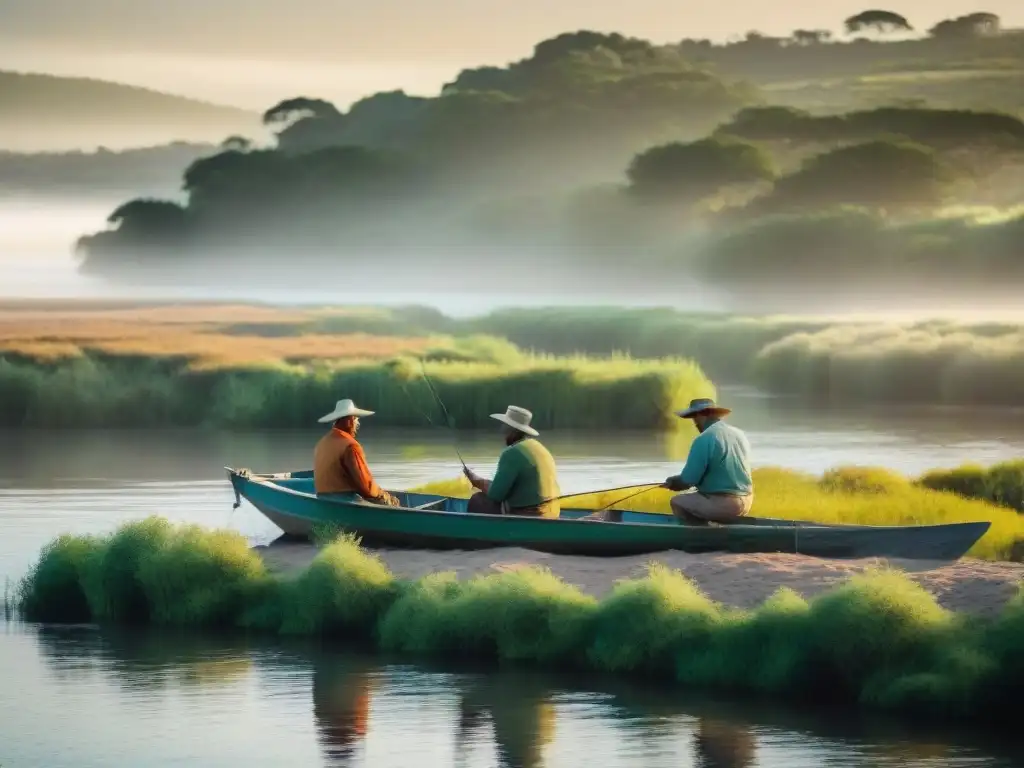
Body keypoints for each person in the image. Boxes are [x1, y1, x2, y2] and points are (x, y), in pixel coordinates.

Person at [665, 398, 753, 525]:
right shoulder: (740, 434)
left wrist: (675, 482)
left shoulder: (704, 438)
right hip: (747, 500)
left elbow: (689, 480)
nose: (694, 422)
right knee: (697, 496)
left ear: (702, 415)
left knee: (677, 502)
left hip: (726, 505)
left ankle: (697, 536)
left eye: (694, 417)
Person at [463, 405, 561, 518]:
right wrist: (478, 480)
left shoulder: (511, 453)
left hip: (532, 515)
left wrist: (476, 480)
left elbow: (495, 495)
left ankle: (481, 534)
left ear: (512, 430)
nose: (502, 431)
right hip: (552, 513)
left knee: (478, 500)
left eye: (505, 426)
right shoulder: (539, 447)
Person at [313, 398, 399, 506]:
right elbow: (366, 487)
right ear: (349, 421)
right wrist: (384, 495)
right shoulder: (350, 446)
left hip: (323, 501)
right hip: (343, 503)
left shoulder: (321, 443)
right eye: (356, 420)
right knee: (393, 502)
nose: (356, 425)